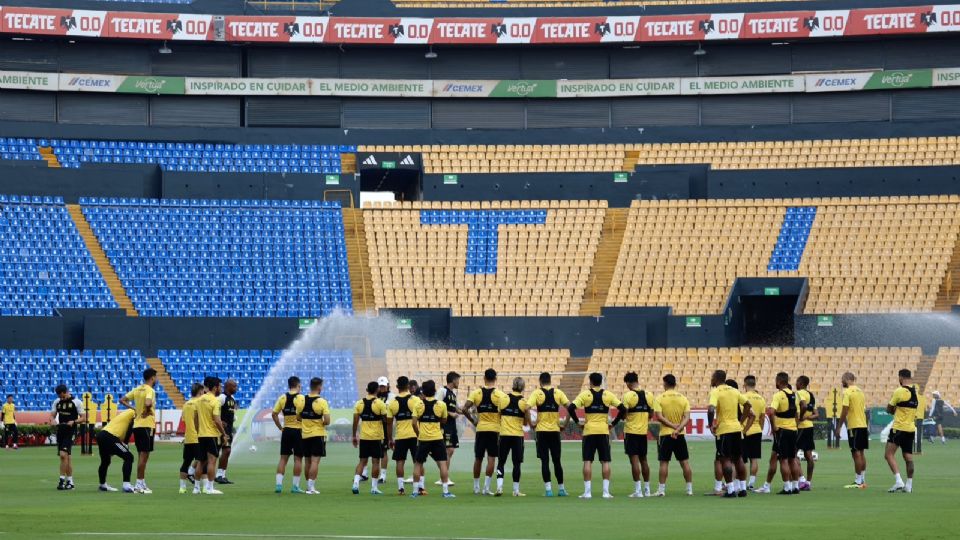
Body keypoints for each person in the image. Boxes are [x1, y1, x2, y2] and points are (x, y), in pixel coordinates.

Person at [567, 372, 626, 499]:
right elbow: (623, 409)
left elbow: (571, 408)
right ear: (600, 382)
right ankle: (606, 492)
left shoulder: (585, 394)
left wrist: (578, 422)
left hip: (589, 432)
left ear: (591, 382)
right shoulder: (608, 394)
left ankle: (587, 493)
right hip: (603, 431)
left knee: (587, 461)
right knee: (605, 461)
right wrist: (613, 424)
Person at [708, 372, 753, 498]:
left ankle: (730, 490)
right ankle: (743, 489)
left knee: (725, 459)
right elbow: (748, 405)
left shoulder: (716, 391)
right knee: (738, 458)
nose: (711, 379)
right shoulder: (734, 391)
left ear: (716, 379)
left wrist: (711, 424)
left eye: (712, 377)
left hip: (724, 430)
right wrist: (741, 421)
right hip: (736, 429)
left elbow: (711, 409)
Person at [463, 368, 507, 495]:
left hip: (481, 429)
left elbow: (464, 409)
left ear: (484, 378)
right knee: (491, 459)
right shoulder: (500, 395)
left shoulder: (476, 393)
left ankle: (476, 487)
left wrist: (474, 421)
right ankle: (486, 488)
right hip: (494, 430)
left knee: (478, 458)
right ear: (496, 378)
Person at [527, 372, 570, 497]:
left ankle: (548, 490)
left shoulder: (537, 393)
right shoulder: (558, 393)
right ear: (550, 381)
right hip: (555, 431)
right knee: (557, 461)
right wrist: (565, 424)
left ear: (540, 381)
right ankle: (561, 489)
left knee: (544, 461)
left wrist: (532, 424)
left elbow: (527, 408)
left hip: (541, 432)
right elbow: (571, 407)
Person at [411, 380, 455, 499]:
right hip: (437, 438)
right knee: (442, 463)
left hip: (423, 438)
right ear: (434, 390)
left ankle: (415, 491)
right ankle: (445, 492)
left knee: (418, 464)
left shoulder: (418, 405)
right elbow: (444, 420)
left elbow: (414, 423)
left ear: (423, 392)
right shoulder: (441, 405)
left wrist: (418, 434)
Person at [652, 374, 693, 497]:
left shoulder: (660, 398)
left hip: (665, 434)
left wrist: (673, 427)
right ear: (675, 384)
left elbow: (659, 417)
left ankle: (661, 490)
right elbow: (687, 417)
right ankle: (689, 489)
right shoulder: (683, 398)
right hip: (680, 435)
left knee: (664, 463)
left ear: (665, 383)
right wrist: (679, 428)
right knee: (684, 462)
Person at [120, 368, 157, 494]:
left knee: (141, 454)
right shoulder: (150, 390)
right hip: (146, 425)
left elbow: (122, 400)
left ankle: (142, 482)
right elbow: (147, 403)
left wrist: (135, 409)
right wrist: (146, 411)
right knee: (144, 456)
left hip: (137, 426)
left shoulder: (137, 389)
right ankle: (139, 484)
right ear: (152, 378)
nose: (156, 379)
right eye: (155, 377)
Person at [352, 381, 390, 495]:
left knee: (362, 461)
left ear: (367, 390)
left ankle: (355, 484)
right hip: (376, 437)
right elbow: (386, 420)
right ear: (377, 390)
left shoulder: (359, 403)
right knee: (375, 462)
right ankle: (374, 488)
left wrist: (354, 435)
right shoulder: (380, 403)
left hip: (364, 437)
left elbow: (355, 421)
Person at [494, 377, 530, 497]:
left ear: (512, 386)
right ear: (523, 387)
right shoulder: (524, 402)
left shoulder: (503, 399)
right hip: (517, 436)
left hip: (504, 435)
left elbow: (498, 416)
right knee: (517, 463)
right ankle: (515, 491)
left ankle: (499, 487)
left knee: (501, 462)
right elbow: (525, 423)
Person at [387, 376, 423, 495]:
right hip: (414, 435)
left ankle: (401, 488)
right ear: (408, 386)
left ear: (397, 387)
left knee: (399, 462)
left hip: (400, 436)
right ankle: (420, 487)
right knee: (417, 462)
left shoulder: (392, 403)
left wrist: (390, 439)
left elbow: (389, 424)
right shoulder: (416, 400)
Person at [885, 369, 919, 493]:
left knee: (888, 455)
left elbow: (889, 408)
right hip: (910, 429)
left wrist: (893, 410)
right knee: (908, 457)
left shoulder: (899, 391)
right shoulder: (915, 392)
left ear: (901, 377)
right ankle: (909, 485)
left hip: (899, 428)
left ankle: (899, 481)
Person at [767, 372, 801, 495]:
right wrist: (796, 425)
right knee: (793, 459)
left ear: (779, 381)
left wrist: (774, 426)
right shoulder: (795, 395)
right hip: (793, 430)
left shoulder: (778, 395)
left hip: (782, 430)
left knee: (783, 460)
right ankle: (796, 486)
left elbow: (771, 412)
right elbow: (797, 413)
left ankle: (787, 487)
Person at [621, 372, 653, 498]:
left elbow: (624, 414)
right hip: (643, 432)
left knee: (634, 461)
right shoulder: (649, 395)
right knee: (644, 460)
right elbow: (651, 414)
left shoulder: (628, 395)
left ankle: (638, 491)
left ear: (628, 383)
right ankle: (647, 490)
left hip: (631, 432)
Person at [297, 377, 331, 495]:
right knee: (315, 462)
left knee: (307, 461)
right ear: (319, 387)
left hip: (305, 435)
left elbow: (298, 417)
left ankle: (308, 487)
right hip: (317, 434)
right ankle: (311, 488)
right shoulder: (322, 401)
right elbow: (327, 421)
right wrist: (318, 422)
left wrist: (308, 420)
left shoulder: (301, 400)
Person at [272, 376, 305, 494]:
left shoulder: (282, 397)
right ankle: (295, 487)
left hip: (286, 431)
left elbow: (274, 414)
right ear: (298, 385)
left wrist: (281, 428)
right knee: (298, 459)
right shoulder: (301, 397)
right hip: (298, 431)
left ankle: (278, 485)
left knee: (283, 459)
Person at [836, 372, 869, 489]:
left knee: (856, 453)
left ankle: (858, 481)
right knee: (861, 452)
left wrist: (839, 427)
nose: (842, 382)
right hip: (863, 425)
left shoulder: (847, 392)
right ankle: (863, 479)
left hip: (854, 426)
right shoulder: (860, 392)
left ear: (847, 379)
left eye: (842, 380)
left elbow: (845, 410)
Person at [51, 384, 85, 491]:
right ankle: (70, 482)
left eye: (63, 395)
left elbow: (84, 417)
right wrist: (53, 420)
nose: (62, 398)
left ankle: (61, 481)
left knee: (62, 454)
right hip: (60, 430)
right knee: (67, 457)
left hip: (71, 431)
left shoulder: (77, 402)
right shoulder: (57, 402)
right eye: (60, 396)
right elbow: (52, 414)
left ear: (67, 391)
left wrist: (74, 421)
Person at [197, 376, 226, 495]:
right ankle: (210, 488)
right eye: (219, 386)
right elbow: (217, 420)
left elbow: (196, 418)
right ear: (215, 388)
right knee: (212, 461)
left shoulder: (199, 399)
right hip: (211, 434)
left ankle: (196, 488)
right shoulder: (215, 401)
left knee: (200, 461)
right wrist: (223, 433)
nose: (220, 388)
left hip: (201, 434)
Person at [96, 408, 136, 493]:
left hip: (102, 435)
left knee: (105, 461)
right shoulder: (133, 412)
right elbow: (130, 427)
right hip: (110, 436)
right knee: (129, 457)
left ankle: (102, 485)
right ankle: (126, 485)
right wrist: (125, 443)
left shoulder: (125, 414)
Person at [361, 376, 392, 484]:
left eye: (384, 386)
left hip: (383, 426)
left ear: (388, 385)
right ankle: (364, 473)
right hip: (372, 426)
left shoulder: (391, 396)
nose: (382, 388)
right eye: (380, 386)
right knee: (366, 452)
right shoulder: (373, 397)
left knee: (383, 451)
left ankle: (383, 475)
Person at [741, 376, 766, 491]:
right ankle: (751, 483)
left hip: (744, 430)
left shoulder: (743, 397)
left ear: (745, 385)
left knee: (743, 459)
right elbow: (762, 417)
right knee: (754, 459)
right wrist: (760, 428)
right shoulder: (761, 399)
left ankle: (742, 482)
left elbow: (743, 414)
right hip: (757, 430)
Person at [437, 371, 461, 485]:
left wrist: (470, 410)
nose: (459, 382)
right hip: (445, 425)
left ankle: (444, 477)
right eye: (458, 380)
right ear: (453, 380)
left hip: (452, 426)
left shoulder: (453, 394)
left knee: (450, 451)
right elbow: (436, 405)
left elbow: (458, 409)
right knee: (448, 450)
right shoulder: (443, 391)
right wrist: (450, 414)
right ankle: (444, 478)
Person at [795, 375, 818, 491]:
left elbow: (803, 405)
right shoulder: (811, 395)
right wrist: (808, 418)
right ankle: (808, 482)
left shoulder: (800, 393)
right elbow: (816, 414)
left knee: (792, 454)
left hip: (801, 427)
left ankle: (802, 479)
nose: (796, 384)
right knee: (808, 455)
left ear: (800, 383)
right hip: (809, 427)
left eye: (797, 382)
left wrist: (801, 417)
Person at [179, 383, 203, 494]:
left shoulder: (186, 404)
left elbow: (185, 421)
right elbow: (198, 421)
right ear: (200, 391)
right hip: (197, 437)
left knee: (186, 461)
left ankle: (182, 487)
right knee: (201, 461)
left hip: (188, 437)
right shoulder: (198, 403)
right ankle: (196, 487)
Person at [216, 379, 238, 485]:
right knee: (218, 452)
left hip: (228, 429)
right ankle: (218, 475)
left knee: (227, 451)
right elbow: (213, 410)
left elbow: (231, 412)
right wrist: (220, 421)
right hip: (221, 430)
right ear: (228, 386)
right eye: (234, 386)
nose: (236, 388)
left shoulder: (232, 398)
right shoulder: (221, 397)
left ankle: (221, 475)